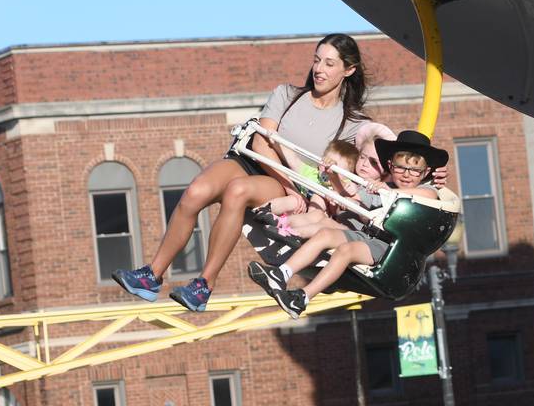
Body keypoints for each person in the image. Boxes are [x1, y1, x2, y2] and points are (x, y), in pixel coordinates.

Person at [111, 33, 372, 310]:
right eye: (317, 60)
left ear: (349, 70)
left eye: (330, 64)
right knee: (196, 191)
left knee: (237, 191)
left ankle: (203, 286)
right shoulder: (286, 94)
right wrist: (292, 178)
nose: (319, 69)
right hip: (258, 164)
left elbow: (366, 164)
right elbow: (261, 142)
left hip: (285, 186)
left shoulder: (352, 123)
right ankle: (152, 275)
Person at [248, 130, 449, 319]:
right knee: (325, 234)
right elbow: (353, 201)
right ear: (390, 166)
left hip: (391, 248)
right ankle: (281, 274)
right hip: (367, 236)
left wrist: (387, 192)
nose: (406, 174)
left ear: (425, 172)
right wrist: (334, 176)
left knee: (346, 250)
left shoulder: (425, 191)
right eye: (400, 168)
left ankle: (302, 298)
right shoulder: (383, 188)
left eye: (414, 170)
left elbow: (425, 195)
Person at [254, 139, 361, 238]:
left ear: (348, 174)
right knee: (294, 200)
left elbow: (350, 193)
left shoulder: (346, 184)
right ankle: (263, 211)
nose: (328, 170)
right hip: (302, 209)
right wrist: (276, 140)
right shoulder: (312, 173)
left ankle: (288, 227)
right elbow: (293, 159)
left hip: (321, 218)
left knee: (318, 196)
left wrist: (337, 183)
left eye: (335, 169)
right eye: (326, 163)